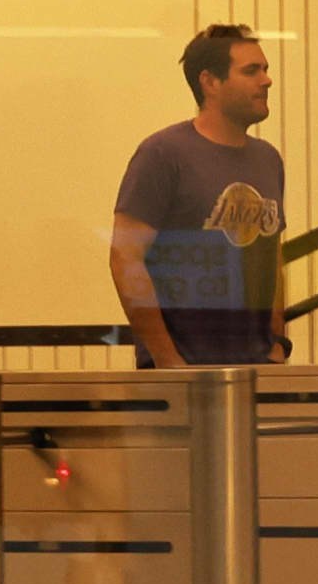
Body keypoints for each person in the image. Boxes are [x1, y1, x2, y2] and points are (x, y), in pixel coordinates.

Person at [109, 24, 290, 368]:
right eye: (251, 71)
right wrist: (167, 360)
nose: (266, 80)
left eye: (266, 69)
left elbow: (271, 257)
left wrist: (276, 344)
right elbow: (125, 259)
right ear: (210, 82)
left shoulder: (268, 159)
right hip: (184, 372)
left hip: (256, 369)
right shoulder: (163, 153)